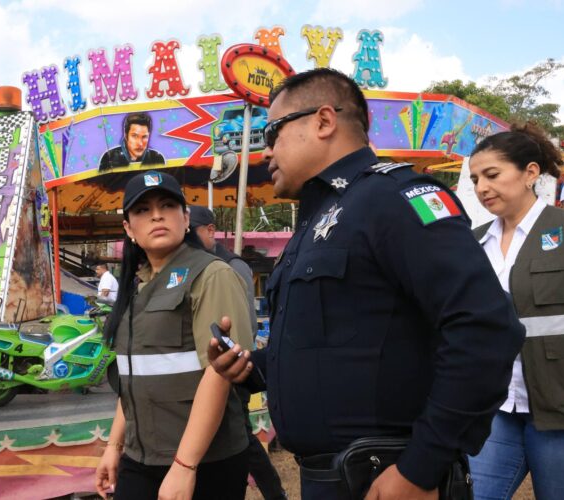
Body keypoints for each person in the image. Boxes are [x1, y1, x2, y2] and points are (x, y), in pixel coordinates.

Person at [207, 67, 525, 499]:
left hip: (388, 477)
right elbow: (342, 345)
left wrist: (421, 468)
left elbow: (486, 329)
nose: (266, 152)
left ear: (323, 121)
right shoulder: (318, 220)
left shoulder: (394, 198)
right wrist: (251, 368)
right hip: (330, 478)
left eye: (272, 133)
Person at [94, 171, 253, 500]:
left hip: (205, 461)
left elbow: (220, 373)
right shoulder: (138, 286)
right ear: (129, 229)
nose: (156, 215)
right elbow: (135, 375)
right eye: (142, 210)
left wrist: (185, 465)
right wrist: (114, 445)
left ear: (185, 218)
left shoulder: (211, 275)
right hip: (142, 457)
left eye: (167, 205)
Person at [468, 122, 564, 500]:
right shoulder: (473, 242)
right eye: (475, 179)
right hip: (495, 408)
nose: (482, 187)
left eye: (492, 175)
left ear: (530, 173)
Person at [189, 205, 287, 500]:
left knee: (241, 436)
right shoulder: (192, 265)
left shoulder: (230, 267)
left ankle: (273, 493)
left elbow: (245, 324)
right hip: (207, 370)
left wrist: (233, 364)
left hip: (232, 369)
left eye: (191, 232)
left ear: (210, 231)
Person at [99, 112, 166, 171]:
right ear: (126, 135)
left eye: (144, 137)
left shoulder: (157, 158)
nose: (140, 143)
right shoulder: (109, 157)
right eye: (135, 136)